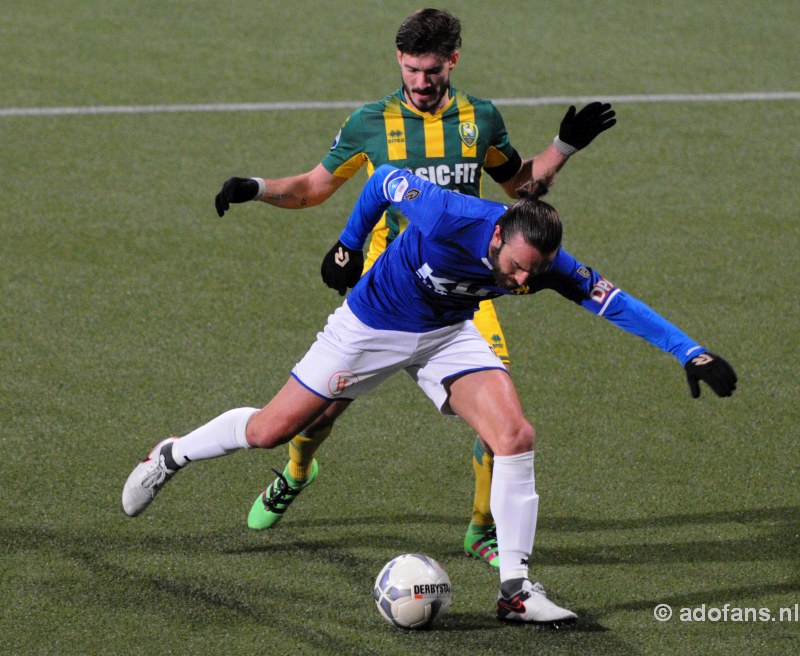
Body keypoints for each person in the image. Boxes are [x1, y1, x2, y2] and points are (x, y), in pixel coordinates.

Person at [123, 165, 737, 625]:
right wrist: (350, 242)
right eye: (517, 267)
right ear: (497, 237)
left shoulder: (543, 262)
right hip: (370, 326)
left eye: (534, 272)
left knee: (514, 436)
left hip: (446, 334)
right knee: (269, 432)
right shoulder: (449, 215)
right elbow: (384, 180)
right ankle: (171, 455)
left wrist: (691, 351)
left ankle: (516, 593)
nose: (524, 282)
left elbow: (614, 302)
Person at [213, 8, 616, 566]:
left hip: (465, 289)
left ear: (452, 60)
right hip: (387, 288)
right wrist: (254, 188)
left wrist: (563, 147)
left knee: (500, 421)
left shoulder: (480, 119)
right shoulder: (370, 123)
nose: (420, 83)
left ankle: (482, 530)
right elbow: (312, 188)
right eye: (410, 70)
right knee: (320, 413)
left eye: (431, 70)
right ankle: (298, 471)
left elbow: (522, 188)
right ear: (398, 62)